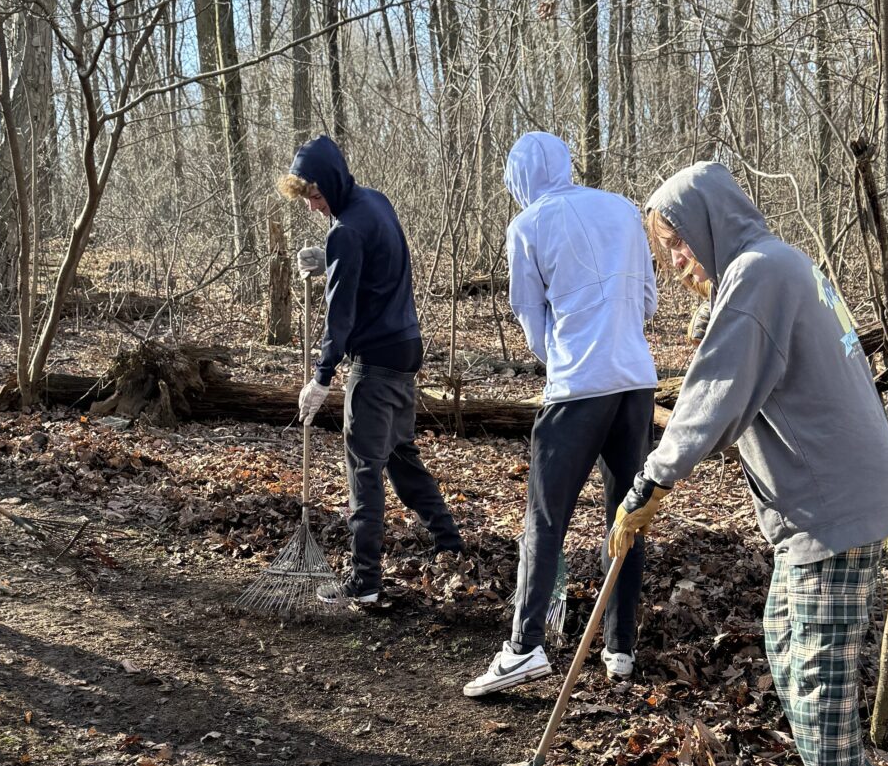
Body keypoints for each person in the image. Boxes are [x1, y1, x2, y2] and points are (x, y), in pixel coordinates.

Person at [611, 161, 888, 766]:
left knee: (816, 673)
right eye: (666, 255)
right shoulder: (777, 265)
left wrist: (651, 478)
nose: (678, 264)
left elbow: (715, 396)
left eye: (679, 245)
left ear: (709, 225)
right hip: (832, 501)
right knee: (789, 643)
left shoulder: (759, 275)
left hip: (833, 507)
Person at [464, 132, 659, 698]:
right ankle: (620, 648)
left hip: (578, 388)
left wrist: (565, 360)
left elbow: (530, 316)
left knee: (545, 520)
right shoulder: (623, 208)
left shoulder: (528, 226)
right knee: (626, 514)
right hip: (637, 382)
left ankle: (524, 646)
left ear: (518, 180)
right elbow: (647, 299)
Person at [278, 136, 462, 604]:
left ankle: (365, 581)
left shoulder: (346, 229)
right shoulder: (374, 202)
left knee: (364, 466)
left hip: (376, 359)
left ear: (334, 182)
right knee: (399, 452)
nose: (315, 208)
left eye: (317, 196)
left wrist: (321, 378)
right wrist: (329, 261)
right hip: (406, 345)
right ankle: (449, 540)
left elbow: (340, 317)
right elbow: (385, 262)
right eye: (308, 200)